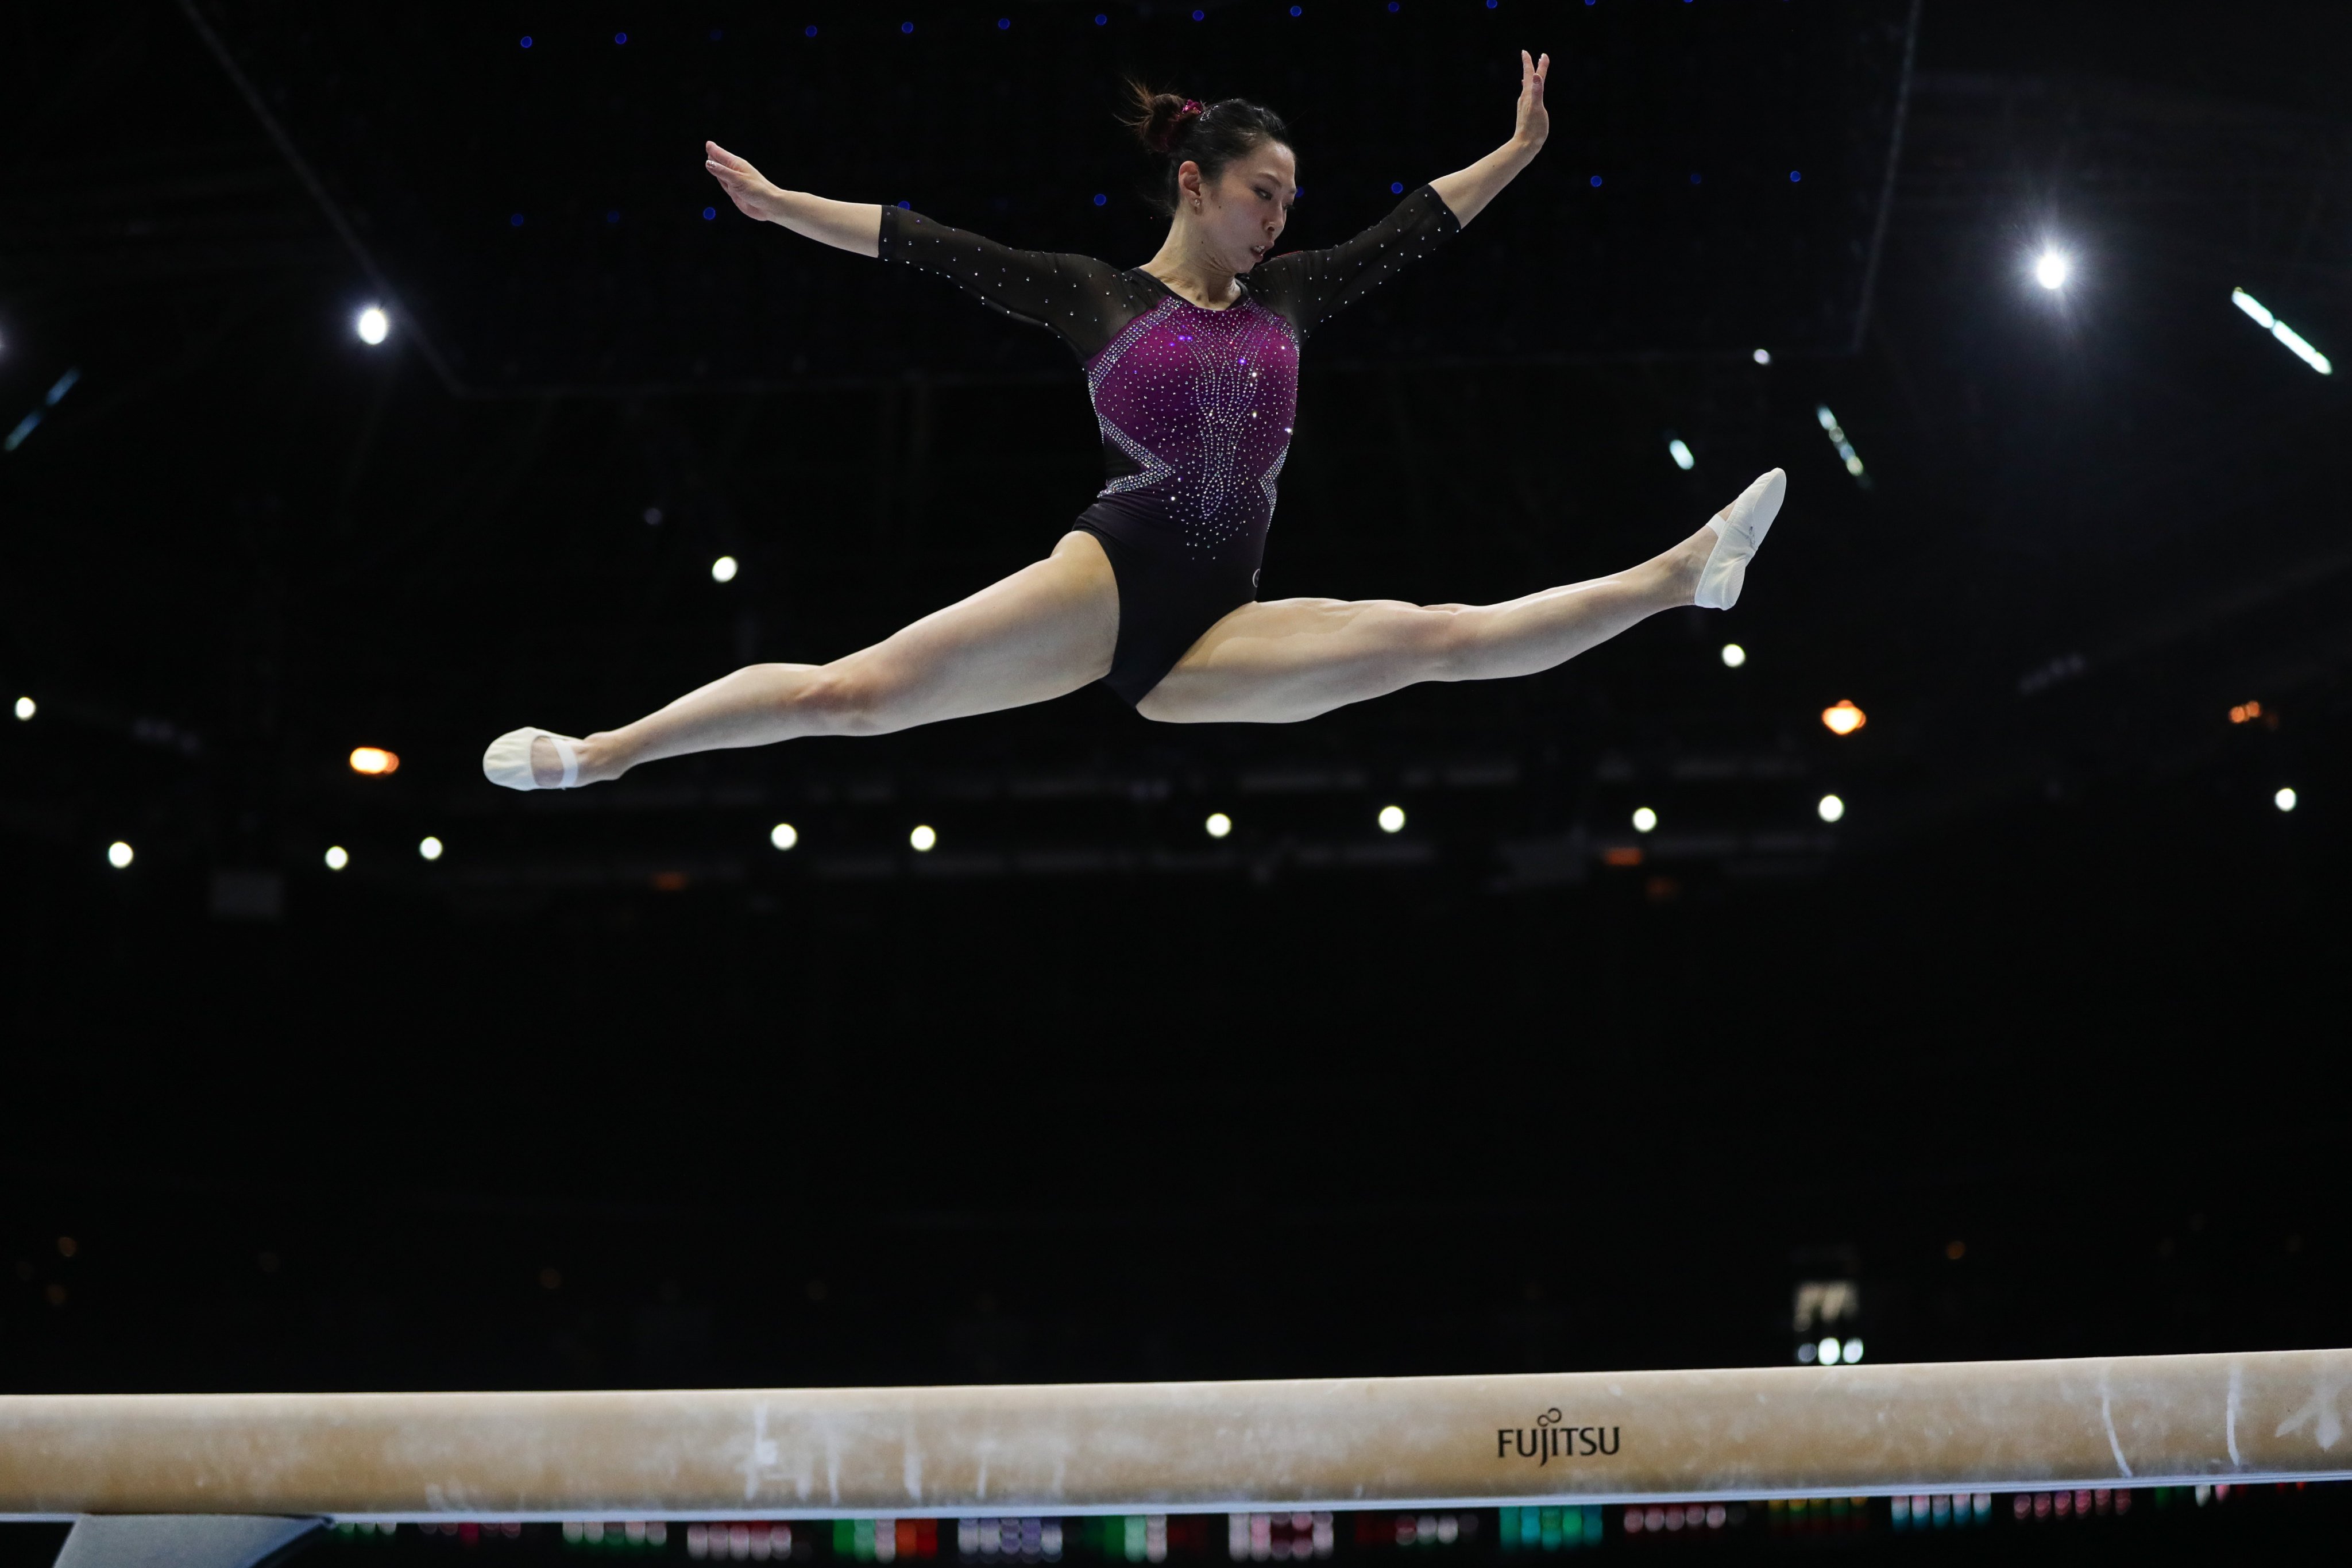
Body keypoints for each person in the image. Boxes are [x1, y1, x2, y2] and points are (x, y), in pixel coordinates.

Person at [485, 53, 1784, 791]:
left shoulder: (1291, 290)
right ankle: (605, 754)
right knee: (852, 697)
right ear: (1193, 182)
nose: (1278, 219)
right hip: (1113, 575)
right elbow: (927, 244)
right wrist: (784, 208)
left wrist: (1518, 148)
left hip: (1213, 622)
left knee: (1435, 642)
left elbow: (1414, 229)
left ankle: (1680, 579)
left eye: (1288, 201)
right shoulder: (1091, 296)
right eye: (1260, 195)